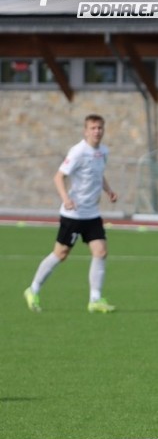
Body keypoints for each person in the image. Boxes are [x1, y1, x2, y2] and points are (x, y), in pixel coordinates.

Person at [23, 113, 117, 314]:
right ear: (85, 131)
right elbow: (58, 177)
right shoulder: (78, 152)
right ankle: (33, 289)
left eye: (100, 128)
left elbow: (98, 174)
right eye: (93, 128)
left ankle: (95, 300)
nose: (97, 131)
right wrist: (66, 198)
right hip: (73, 215)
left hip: (92, 214)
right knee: (61, 254)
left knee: (101, 252)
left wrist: (108, 190)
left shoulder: (104, 151)